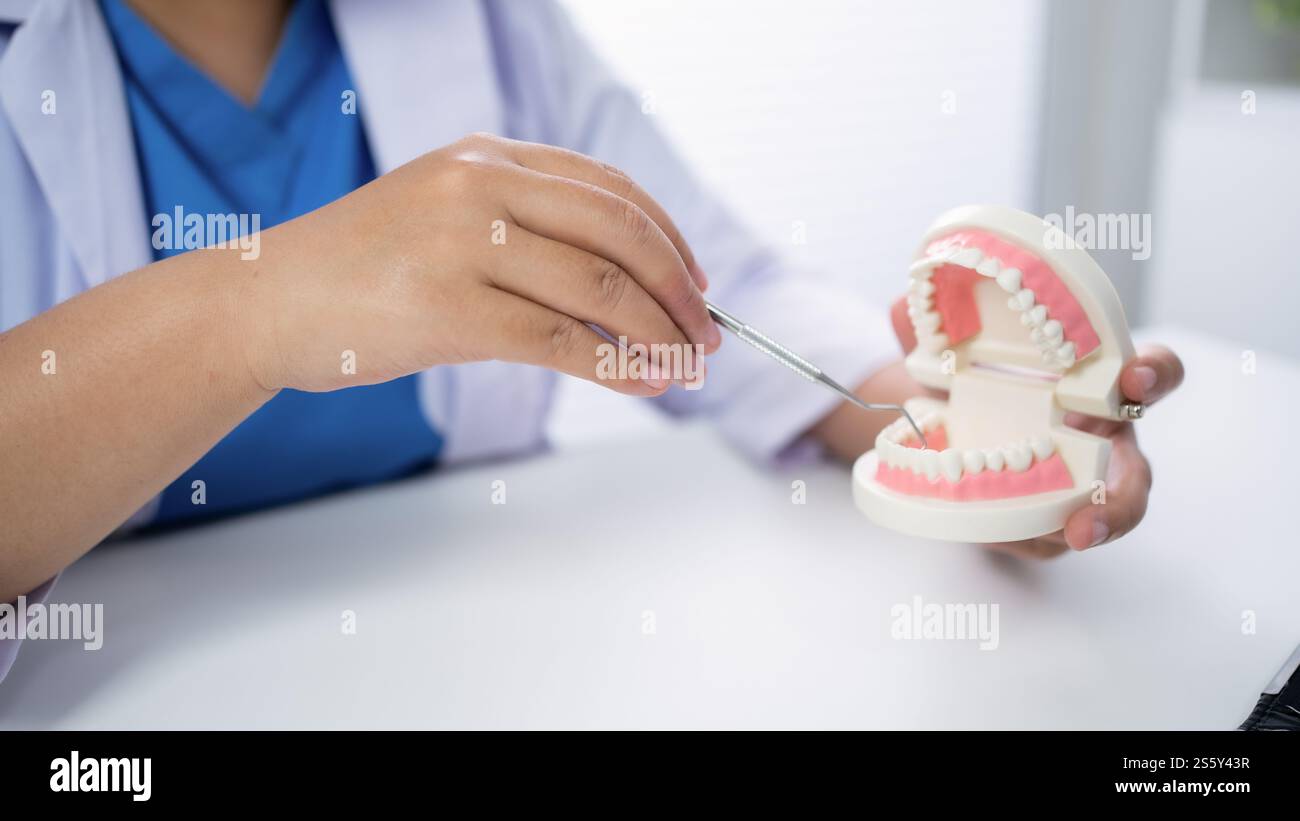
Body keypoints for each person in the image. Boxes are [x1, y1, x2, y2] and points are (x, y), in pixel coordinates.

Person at [0, 0, 1183, 678]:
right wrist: (260, 305)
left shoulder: (488, 25)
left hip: (460, 660)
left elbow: (726, 286)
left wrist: (952, 429)